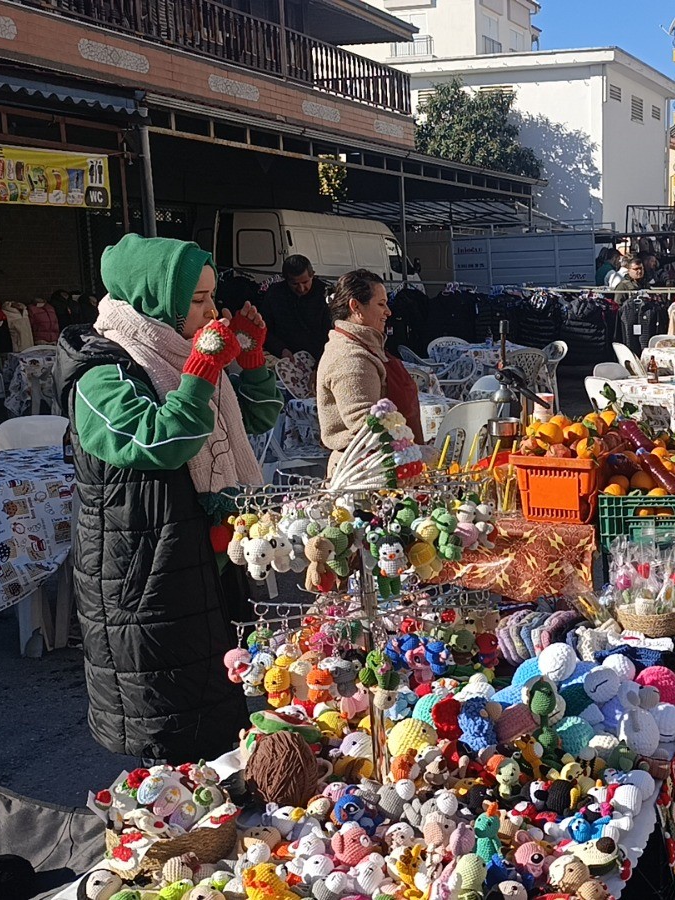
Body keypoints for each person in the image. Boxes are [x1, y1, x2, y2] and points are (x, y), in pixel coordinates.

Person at [55, 234, 283, 762]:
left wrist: (249, 360)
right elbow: (163, 440)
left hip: (201, 557)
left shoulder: (180, 351)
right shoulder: (100, 372)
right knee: (173, 727)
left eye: (211, 298)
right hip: (147, 577)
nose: (212, 311)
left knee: (224, 706)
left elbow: (255, 417)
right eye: (198, 301)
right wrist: (201, 370)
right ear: (158, 299)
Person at [317, 269, 425, 478]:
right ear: (355, 306)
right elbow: (365, 426)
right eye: (381, 304)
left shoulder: (366, 347)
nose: (388, 312)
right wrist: (413, 452)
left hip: (384, 466)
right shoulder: (350, 358)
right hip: (365, 473)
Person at [257, 254, 330, 360]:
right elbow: (264, 328)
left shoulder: (325, 294)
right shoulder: (275, 294)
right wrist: (281, 349)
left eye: (305, 282)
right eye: (294, 284)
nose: (301, 288)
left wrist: (319, 364)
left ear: (312, 275)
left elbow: (331, 333)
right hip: (285, 358)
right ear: (286, 280)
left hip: (320, 356)